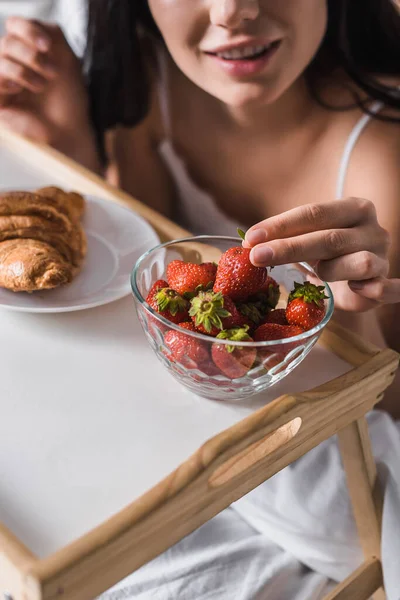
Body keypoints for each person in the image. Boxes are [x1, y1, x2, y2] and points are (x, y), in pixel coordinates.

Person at [0, 0, 399, 418]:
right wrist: (70, 146)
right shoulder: (150, 77)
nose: (230, 12)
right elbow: (143, 247)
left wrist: (351, 316)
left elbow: (390, 406)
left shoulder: (387, 158)